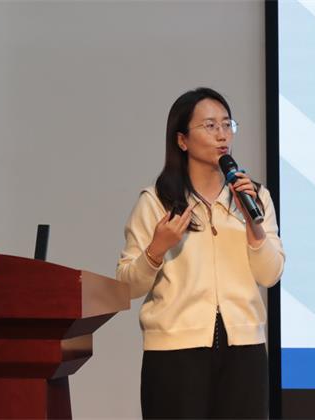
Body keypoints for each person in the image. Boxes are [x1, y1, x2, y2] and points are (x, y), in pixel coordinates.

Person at [116, 87, 285, 419]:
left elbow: (270, 274)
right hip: (175, 354)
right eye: (210, 126)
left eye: (227, 124)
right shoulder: (157, 202)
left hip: (244, 353)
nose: (222, 135)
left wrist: (254, 228)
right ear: (182, 140)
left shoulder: (255, 197)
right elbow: (127, 286)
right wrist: (156, 249)